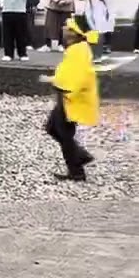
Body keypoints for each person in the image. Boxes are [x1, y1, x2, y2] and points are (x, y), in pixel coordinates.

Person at [40, 15, 100, 181]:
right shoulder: (77, 49)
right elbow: (69, 72)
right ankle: (79, 157)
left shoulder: (78, 50)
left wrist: (63, 87)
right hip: (67, 95)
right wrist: (53, 79)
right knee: (53, 128)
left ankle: (77, 169)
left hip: (70, 97)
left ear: (75, 33)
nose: (64, 29)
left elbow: (79, 76)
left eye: (68, 28)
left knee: (62, 132)